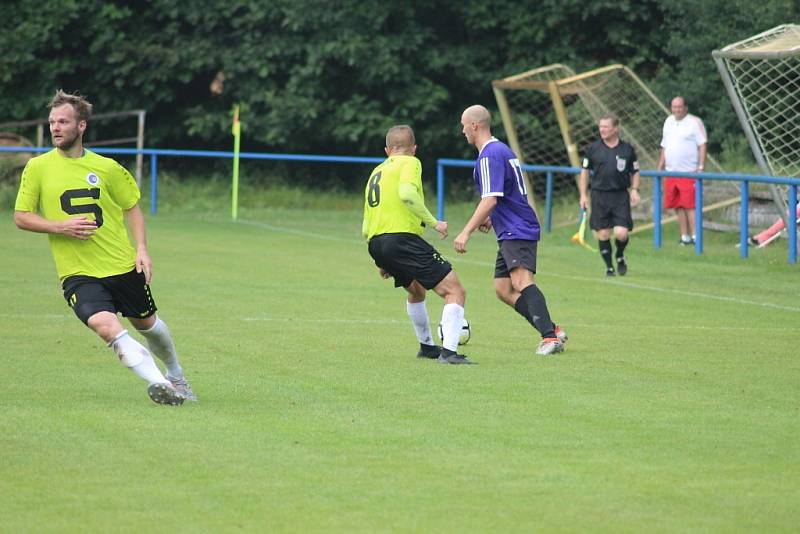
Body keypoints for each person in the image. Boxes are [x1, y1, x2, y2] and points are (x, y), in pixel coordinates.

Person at [14, 90, 195, 405]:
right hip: (78, 272)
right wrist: (59, 226)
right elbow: (21, 217)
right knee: (105, 326)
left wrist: (141, 248)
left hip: (121, 264)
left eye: (63, 121)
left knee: (148, 326)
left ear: (81, 126)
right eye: (52, 122)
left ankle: (176, 374)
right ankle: (162, 385)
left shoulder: (108, 168)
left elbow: (132, 206)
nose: (55, 127)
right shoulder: (37, 167)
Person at [454, 105, 566, 356]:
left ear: (475, 125)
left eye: (464, 125)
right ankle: (552, 329)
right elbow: (505, 193)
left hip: (517, 228)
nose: (462, 130)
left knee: (521, 280)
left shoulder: (490, 154)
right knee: (503, 288)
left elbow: (491, 199)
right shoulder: (498, 149)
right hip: (509, 227)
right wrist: (492, 219)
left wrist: (466, 232)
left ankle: (549, 337)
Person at [363, 125, 474, 365]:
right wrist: (434, 223)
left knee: (416, 290)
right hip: (401, 239)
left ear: (387, 150)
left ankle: (426, 347)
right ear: (413, 148)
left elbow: (366, 222)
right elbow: (407, 194)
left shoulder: (377, 171)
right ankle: (449, 353)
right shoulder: (411, 163)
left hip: (376, 241)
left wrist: (381, 259)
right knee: (455, 290)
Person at [578, 113, 641, 276]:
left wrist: (634, 189)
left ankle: (620, 255)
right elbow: (584, 172)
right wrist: (583, 195)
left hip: (620, 196)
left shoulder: (627, 149)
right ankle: (609, 268)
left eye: (606, 127)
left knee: (621, 233)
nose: (602, 130)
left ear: (615, 129)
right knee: (603, 233)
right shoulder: (593, 149)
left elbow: (635, 171)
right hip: (599, 195)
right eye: (600, 127)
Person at [657, 96, 707, 245]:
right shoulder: (668, 121)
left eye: (679, 107)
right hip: (671, 172)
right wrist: (660, 166)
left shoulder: (694, 122)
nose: (677, 110)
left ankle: (696, 237)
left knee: (690, 206)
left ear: (685, 107)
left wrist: (701, 167)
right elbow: (664, 145)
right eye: (674, 107)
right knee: (678, 205)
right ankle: (684, 236)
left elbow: (702, 144)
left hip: (689, 172)